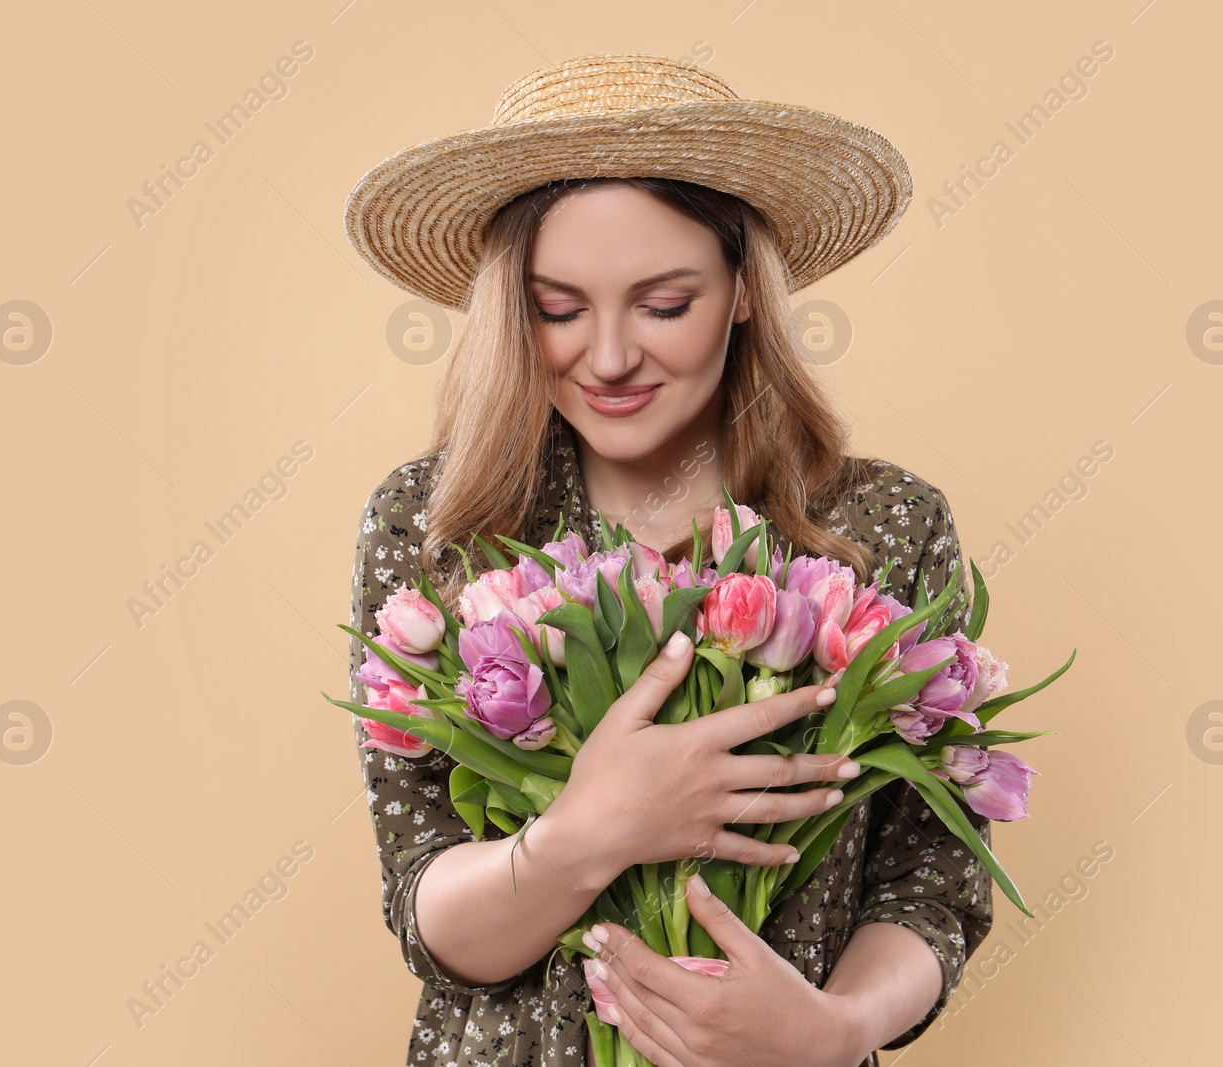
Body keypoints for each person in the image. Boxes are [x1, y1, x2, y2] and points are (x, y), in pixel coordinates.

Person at [344, 53, 993, 1067]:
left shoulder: (884, 523)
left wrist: (836, 1028)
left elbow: (933, 876)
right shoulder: (433, 529)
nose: (605, 358)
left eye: (661, 303)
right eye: (558, 308)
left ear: (741, 291)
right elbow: (427, 916)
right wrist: (584, 833)